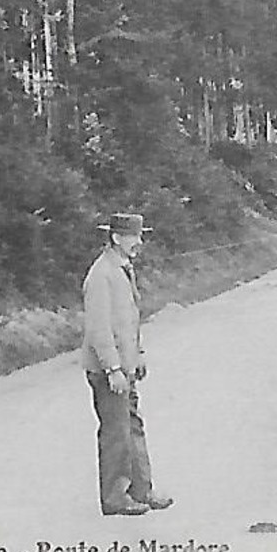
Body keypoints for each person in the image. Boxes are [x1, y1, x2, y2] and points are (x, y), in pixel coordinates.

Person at [81, 212, 172, 516]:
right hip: (109, 371)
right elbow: (99, 329)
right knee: (117, 433)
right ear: (117, 238)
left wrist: (138, 355)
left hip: (125, 367)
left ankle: (142, 491)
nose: (139, 242)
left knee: (133, 426)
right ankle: (115, 497)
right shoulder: (100, 275)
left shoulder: (120, 269)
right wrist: (112, 369)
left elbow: (127, 321)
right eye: (134, 236)